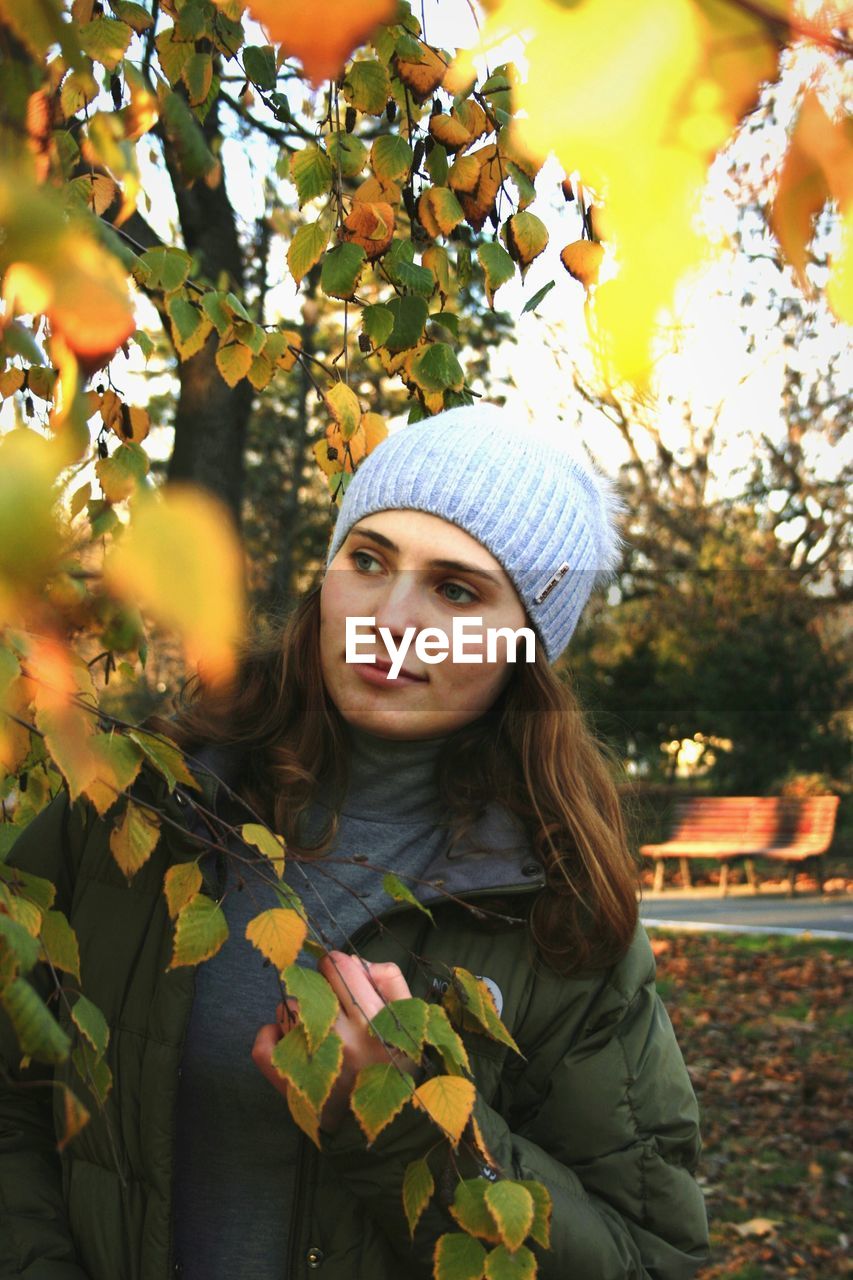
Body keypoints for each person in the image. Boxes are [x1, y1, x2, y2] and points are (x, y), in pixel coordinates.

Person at [0, 403, 711, 1279]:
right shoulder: (142, 803)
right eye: (367, 560)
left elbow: (647, 1258)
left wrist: (400, 1120)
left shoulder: (555, 912)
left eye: (455, 589)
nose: (390, 616)